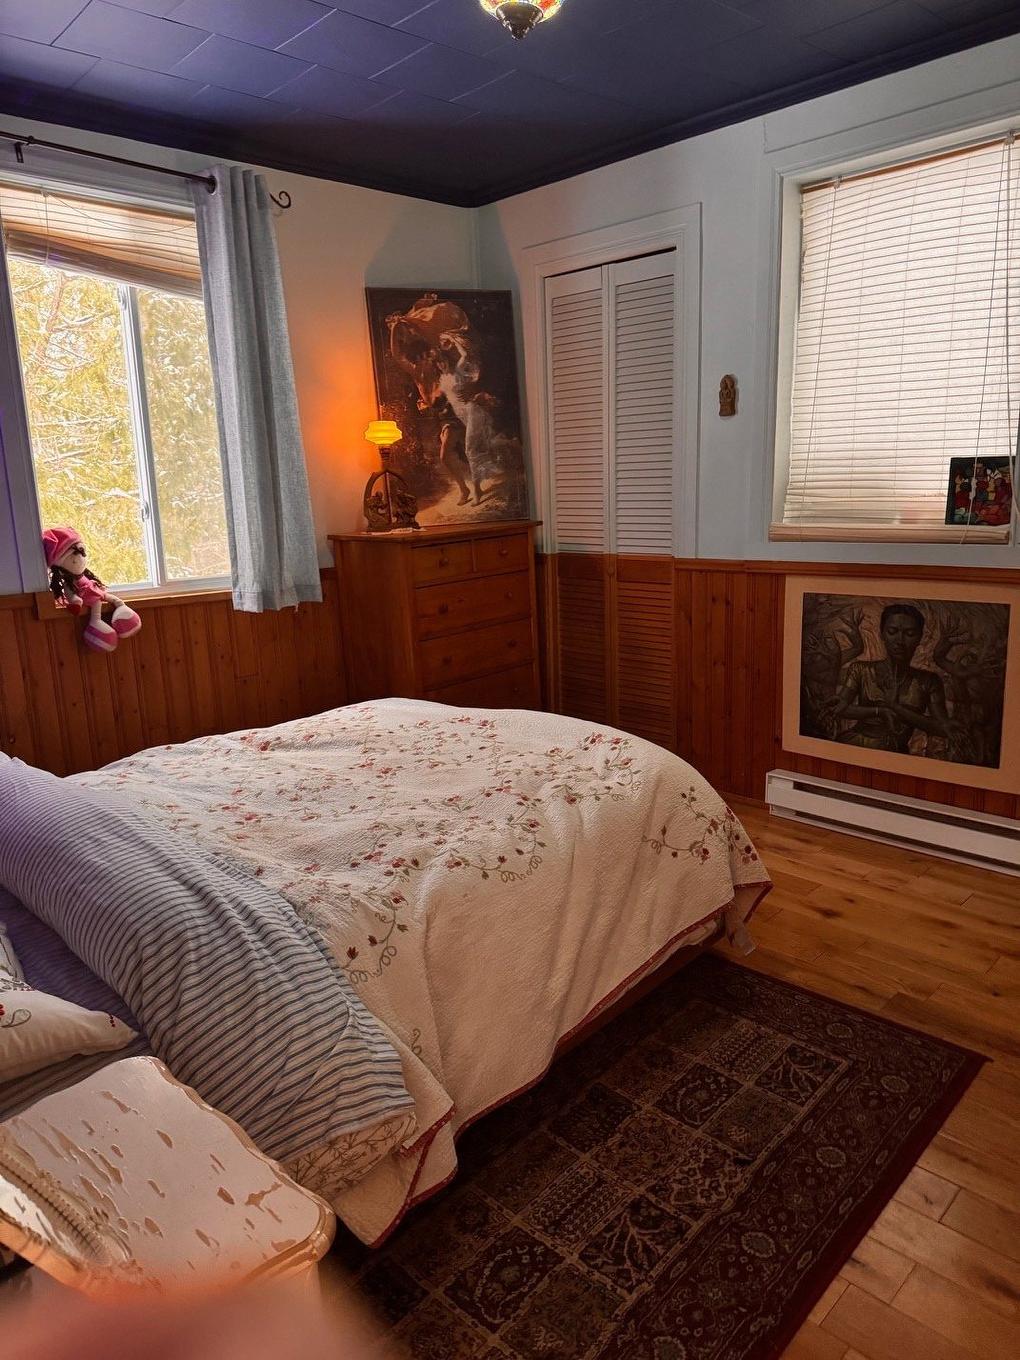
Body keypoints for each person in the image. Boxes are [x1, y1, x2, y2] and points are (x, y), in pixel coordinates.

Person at [821, 603, 961, 755]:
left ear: (920, 637)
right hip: (852, 748)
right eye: (892, 631)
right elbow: (841, 707)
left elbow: (943, 727)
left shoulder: (929, 681)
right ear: (882, 634)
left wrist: (896, 707)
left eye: (909, 633)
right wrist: (879, 711)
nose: (899, 641)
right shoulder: (861, 669)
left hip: (894, 758)